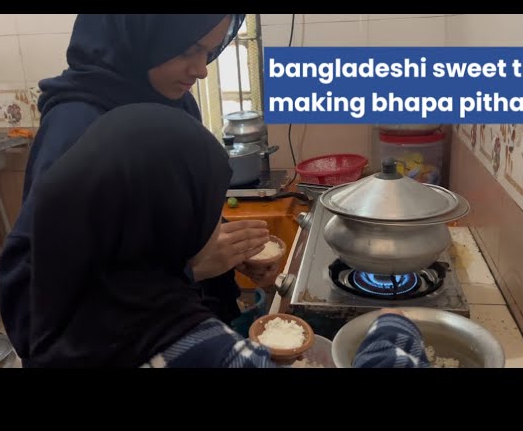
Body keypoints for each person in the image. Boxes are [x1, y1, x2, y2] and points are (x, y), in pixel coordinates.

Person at [28, 103, 430, 368]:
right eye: (205, 211)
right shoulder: (200, 351)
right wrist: (392, 327)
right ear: (168, 225)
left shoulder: (57, 318)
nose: (214, 222)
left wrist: (195, 268)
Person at [0, 14, 277, 365]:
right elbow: (39, 291)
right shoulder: (76, 125)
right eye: (189, 49)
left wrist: (229, 253)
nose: (202, 69)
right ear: (141, 34)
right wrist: (195, 268)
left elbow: (165, 216)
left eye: (210, 51)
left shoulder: (173, 100)